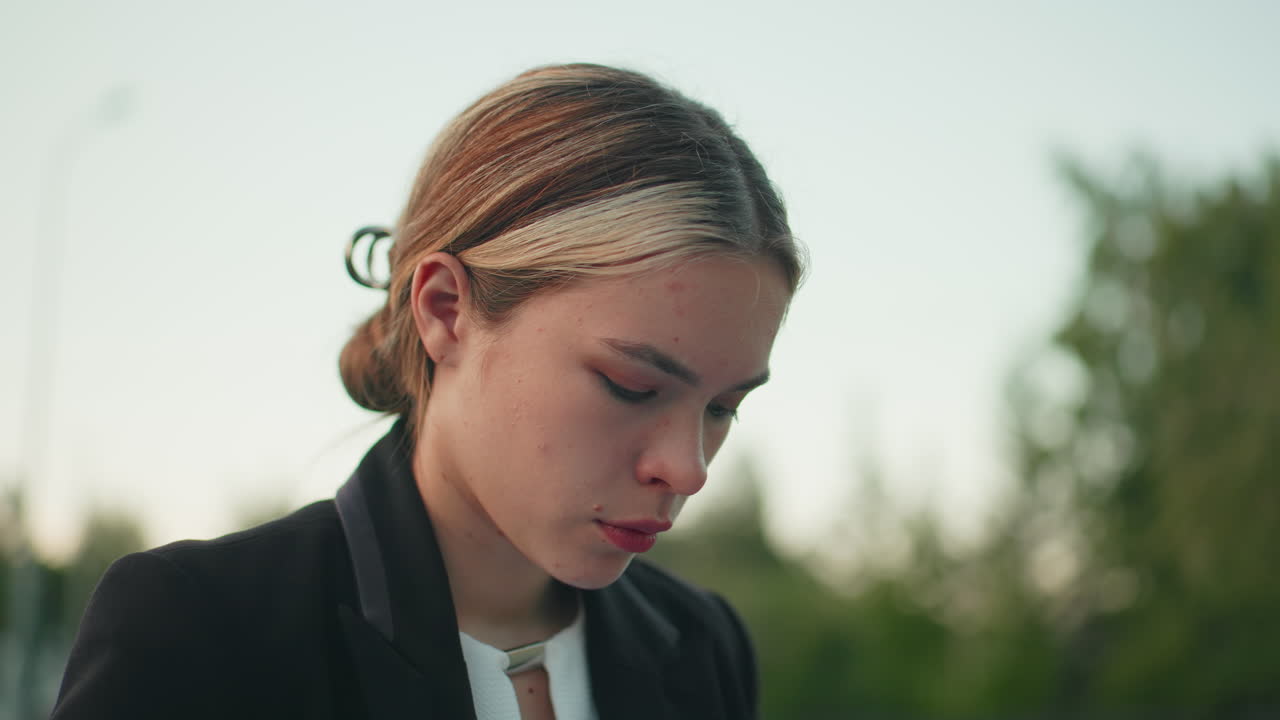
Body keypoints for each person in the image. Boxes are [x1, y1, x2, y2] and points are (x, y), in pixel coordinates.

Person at [51, 63, 805, 720]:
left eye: (721, 407)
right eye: (630, 385)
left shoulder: (702, 646)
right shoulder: (200, 631)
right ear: (445, 309)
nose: (689, 468)